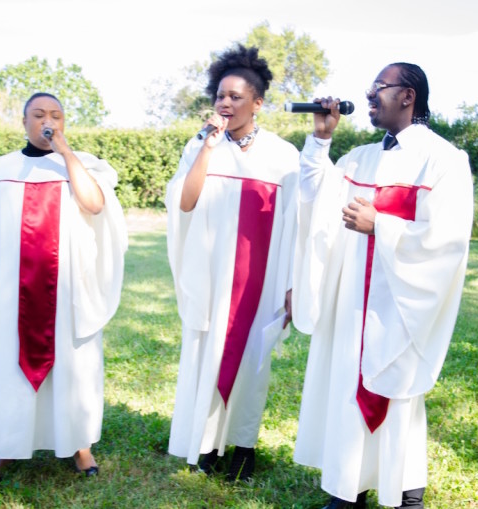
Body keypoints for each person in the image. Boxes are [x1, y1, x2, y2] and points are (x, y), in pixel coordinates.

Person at [292, 63, 473, 508]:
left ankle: (405, 495)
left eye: (379, 88)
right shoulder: (359, 159)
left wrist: (381, 227)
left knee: (397, 395)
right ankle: (347, 490)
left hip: (403, 303)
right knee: (349, 395)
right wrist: (321, 138)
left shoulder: (444, 160)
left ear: (407, 96)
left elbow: (448, 242)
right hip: (354, 300)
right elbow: (314, 199)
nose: (369, 96)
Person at [0, 92, 127, 481]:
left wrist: (65, 152)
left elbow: (95, 204)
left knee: (73, 370)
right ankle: (6, 448)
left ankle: (80, 446)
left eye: (56, 115)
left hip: (67, 292)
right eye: (38, 115)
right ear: (23, 122)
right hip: (11, 295)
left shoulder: (85, 166)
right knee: (10, 369)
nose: (47, 122)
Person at [165, 44, 299, 481]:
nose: (225, 103)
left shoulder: (283, 156)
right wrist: (207, 146)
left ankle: (243, 444)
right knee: (206, 355)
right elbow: (186, 203)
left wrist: (294, 282)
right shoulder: (202, 146)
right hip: (212, 271)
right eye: (220, 95)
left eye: (236, 96)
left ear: (257, 103)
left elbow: (298, 223)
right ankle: (204, 443)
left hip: (262, 274)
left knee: (253, 362)